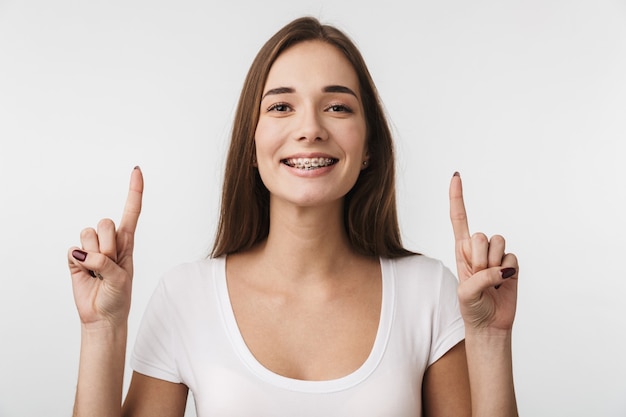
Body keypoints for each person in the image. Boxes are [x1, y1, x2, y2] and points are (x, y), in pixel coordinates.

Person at [68, 16, 519, 417]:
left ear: (368, 148)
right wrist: (101, 330)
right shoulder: (184, 296)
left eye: (338, 106)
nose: (310, 128)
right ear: (252, 142)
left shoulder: (428, 292)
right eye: (281, 106)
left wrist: (491, 340)